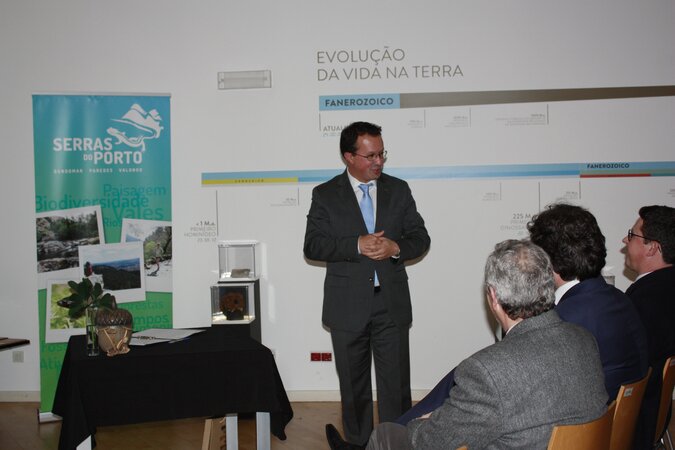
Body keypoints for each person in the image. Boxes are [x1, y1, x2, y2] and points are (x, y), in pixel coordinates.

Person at [394, 202, 650, 426]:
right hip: (611, 430)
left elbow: (498, 375)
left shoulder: (561, 323)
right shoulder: (619, 300)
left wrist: (407, 425)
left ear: (547, 262)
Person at [364, 239, 608, 449]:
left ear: (493, 297)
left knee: (385, 434)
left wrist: (423, 422)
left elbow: (431, 442)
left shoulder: (487, 371)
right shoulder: (584, 339)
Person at [304, 121, 431, 449]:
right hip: (346, 307)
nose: (379, 161)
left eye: (382, 154)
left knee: (396, 388)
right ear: (349, 157)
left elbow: (420, 238)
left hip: (390, 304)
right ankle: (358, 444)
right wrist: (356, 244)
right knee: (353, 387)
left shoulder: (398, 190)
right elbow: (313, 246)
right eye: (371, 155)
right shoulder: (325, 194)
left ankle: (395, 444)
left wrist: (395, 247)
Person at [623, 205, 675, 450]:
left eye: (632, 235)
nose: (625, 240)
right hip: (656, 414)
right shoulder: (666, 288)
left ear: (652, 247)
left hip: (635, 422)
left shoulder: (645, 300)